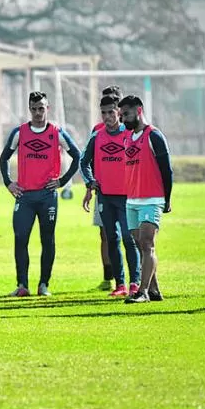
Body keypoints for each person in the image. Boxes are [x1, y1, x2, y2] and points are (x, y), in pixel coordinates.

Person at [0, 91, 81, 297]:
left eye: (41, 108)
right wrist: (9, 183)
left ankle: (44, 285)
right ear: (29, 109)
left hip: (47, 197)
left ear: (48, 108)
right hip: (24, 196)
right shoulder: (20, 133)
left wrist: (62, 181)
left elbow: (77, 155)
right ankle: (22, 285)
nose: (37, 112)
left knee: (48, 239)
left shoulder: (56, 132)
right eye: (34, 109)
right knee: (20, 238)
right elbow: (4, 158)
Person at [80, 94, 142, 297]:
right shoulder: (97, 137)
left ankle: (135, 282)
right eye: (104, 113)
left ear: (119, 112)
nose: (107, 117)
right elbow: (83, 162)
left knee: (128, 238)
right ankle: (120, 284)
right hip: (105, 197)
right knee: (112, 239)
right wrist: (90, 182)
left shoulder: (130, 134)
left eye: (111, 112)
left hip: (126, 197)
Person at [119, 95, 174, 304]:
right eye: (122, 115)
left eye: (127, 114)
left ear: (139, 110)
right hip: (132, 200)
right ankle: (154, 289)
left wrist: (167, 199)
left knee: (147, 243)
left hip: (152, 198)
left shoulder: (154, 136)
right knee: (139, 244)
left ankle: (142, 292)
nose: (123, 119)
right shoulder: (126, 137)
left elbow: (167, 170)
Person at [93, 85, 122, 290]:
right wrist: (91, 183)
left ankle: (134, 278)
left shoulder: (129, 130)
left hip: (125, 192)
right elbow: (90, 158)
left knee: (132, 236)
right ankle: (108, 277)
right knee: (105, 233)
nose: (107, 115)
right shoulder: (97, 131)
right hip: (103, 191)